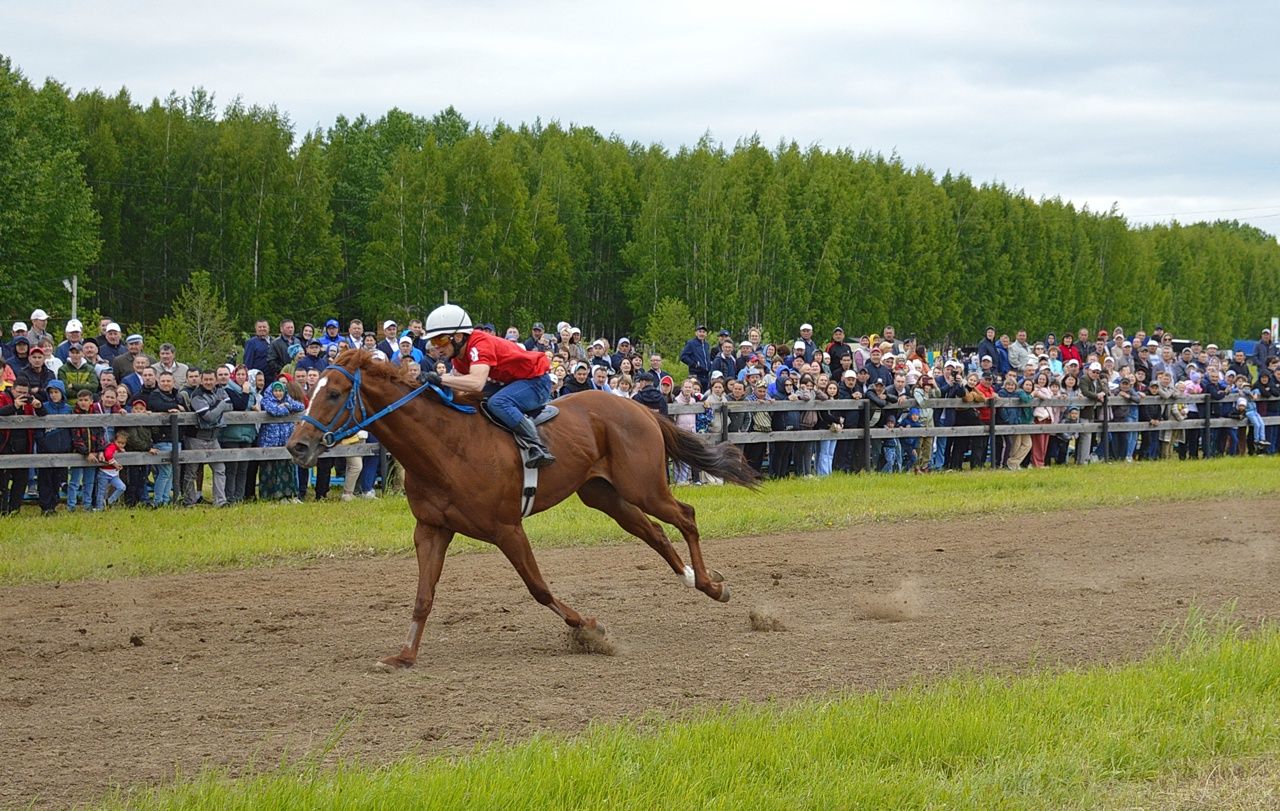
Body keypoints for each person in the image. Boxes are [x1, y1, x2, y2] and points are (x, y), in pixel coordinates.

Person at [422, 303, 555, 468]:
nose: (436, 346)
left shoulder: (479, 345)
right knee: (471, 400)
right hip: (514, 382)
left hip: (537, 381)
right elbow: (462, 385)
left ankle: (538, 446)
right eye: (433, 341)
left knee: (498, 402)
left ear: (457, 337)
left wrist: (440, 379)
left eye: (440, 339)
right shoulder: (458, 357)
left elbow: (476, 383)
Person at [679, 325, 712, 390]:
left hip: (706, 375)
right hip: (696, 374)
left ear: (706, 334)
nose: (702, 334)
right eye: (700, 332)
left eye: (703, 332)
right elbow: (683, 356)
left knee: (705, 394)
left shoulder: (706, 345)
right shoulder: (691, 343)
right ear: (696, 333)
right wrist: (694, 364)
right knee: (696, 393)